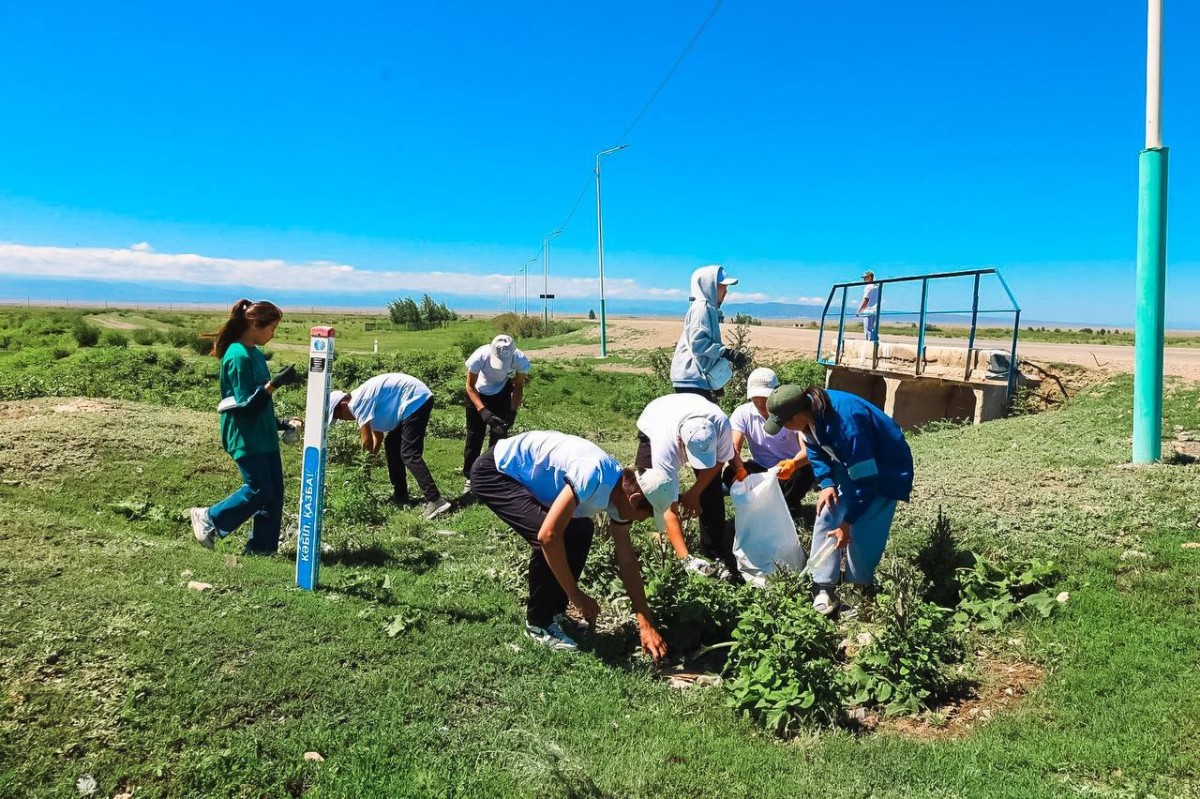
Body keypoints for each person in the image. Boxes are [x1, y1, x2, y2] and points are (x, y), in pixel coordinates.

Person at [470, 430, 674, 658]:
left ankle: (554, 612)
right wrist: (576, 595)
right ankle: (538, 623)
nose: (641, 521)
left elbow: (626, 560)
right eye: (645, 516)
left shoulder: (621, 494)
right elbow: (548, 536)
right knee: (549, 536)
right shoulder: (592, 475)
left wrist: (645, 621)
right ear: (634, 499)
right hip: (497, 472)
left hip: (526, 474)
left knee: (580, 530)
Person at [764, 385, 914, 615]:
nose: (784, 429)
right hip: (852, 460)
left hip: (884, 465)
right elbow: (813, 446)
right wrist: (826, 483)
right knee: (828, 510)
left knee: (864, 529)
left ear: (797, 416)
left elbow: (867, 482)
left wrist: (847, 523)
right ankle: (823, 586)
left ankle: (860, 591)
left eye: (784, 423)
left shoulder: (844, 425)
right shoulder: (809, 412)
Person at [190, 299, 303, 555]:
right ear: (254, 324)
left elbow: (260, 403)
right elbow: (246, 405)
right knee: (259, 489)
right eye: (271, 329)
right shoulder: (237, 356)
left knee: (273, 494)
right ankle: (210, 517)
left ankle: (261, 549)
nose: (273, 335)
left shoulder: (255, 354)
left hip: (262, 433)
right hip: (244, 434)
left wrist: (281, 424)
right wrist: (275, 383)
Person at [636, 393, 743, 579]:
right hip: (655, 417)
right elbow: (667, 502)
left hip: (694, 411)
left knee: (711, 491)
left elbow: (719, 460)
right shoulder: (664, 446)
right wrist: (686, 559)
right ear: (681, 443)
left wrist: (695, 492)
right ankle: (657, 537)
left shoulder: (721, 424)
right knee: (648, 489)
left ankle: (713, 550)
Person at [327, 373, 451, 520]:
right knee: (391, 444)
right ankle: (401, 496)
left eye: (340, 417)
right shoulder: (362, 400)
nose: (345, 420)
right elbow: (377, 438)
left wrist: (364, 467)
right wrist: (368, 465)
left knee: (409, 453)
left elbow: (367, 443)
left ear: (343, 405)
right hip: (412, 400)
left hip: (416, 399)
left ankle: (435, 500)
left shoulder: (358, 403)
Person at [724, 367, 813, 514]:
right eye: (755, 398)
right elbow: (734, 448)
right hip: (761, 467)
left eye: (764, 398)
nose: (759, 403)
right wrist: (739, 469)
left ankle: (787, 506)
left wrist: (793, 464)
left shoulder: (790, 412)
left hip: (788, 467)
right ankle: (758, 504)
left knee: (804, 474)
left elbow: (806, 450)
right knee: (729, 472)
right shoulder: (743, 413)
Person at [462, 334, 530, 491]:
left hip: (501, 393)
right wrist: (483, 411)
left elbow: (518, 387)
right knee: (474, 437)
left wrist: (512, 412)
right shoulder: (479, 356)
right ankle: (470, 477)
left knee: (499, 436)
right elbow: (470, 386)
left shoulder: (519, 359)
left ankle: (491, 474)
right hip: (478, 393)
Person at [670, 265, 748, 400]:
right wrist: (727, 353)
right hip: (692, 379)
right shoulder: (702, 308)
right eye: (722, 286)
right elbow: (698, 343)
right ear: (709, 286)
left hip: (694, 378)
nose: (726, 291)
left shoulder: (705, 308)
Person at [857, 270, 881, 342]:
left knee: (868, 330)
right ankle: (875, 343)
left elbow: (866, 299)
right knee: (873, 329)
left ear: (870, 277)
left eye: (865, 278)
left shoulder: (868, 287)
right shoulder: (877, 286)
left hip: (868, 310)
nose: (864, 280)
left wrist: (859, 310)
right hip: (875, 310)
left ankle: (870, 344)